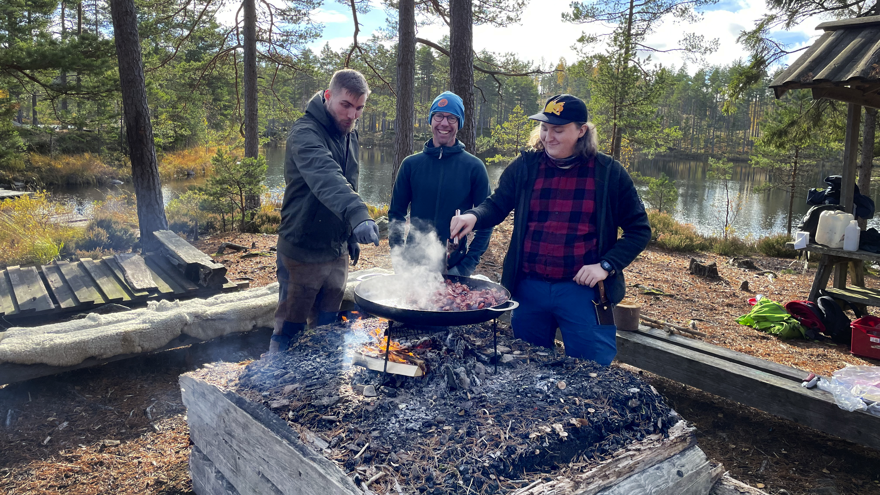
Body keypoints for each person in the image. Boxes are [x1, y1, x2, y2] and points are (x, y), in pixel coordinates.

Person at [449, 94, 650, 365]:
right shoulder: (526, 167)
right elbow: (497, 204)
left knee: (590, 372)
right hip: (529, 288)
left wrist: (605, 265)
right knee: (528, 368)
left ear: (581, 131)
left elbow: (639, 230)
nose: (548, 137)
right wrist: (474, 216)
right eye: (544, 128)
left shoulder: (609, 173)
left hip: (582, 293)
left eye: (558, 130)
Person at [270, 69, 380, 353]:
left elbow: (348, 183)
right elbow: (326, 177)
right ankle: (274, 381)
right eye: (346, 105)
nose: (352, 115)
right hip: (303, 249)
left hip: (336, 250)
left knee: (328, 326)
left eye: (359, 108)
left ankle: (323, 380)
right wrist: (358, 214)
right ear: (328, 96)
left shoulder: (349, 135)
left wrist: (349, 235)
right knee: (290, 328)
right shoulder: (305, 133)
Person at [388, 91, 492, 276]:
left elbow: (486, 220)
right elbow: (396, 215)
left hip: (454, 266)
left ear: (459, 123)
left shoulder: (474, 167)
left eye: (452, 118)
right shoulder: (410, 165)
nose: (444, 123)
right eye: (439, 116)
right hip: (413, 267)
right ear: (430, 120)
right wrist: (399, 259)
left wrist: (467, 265)